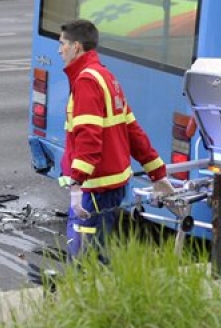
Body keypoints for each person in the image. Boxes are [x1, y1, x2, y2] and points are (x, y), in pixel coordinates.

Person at [58, 19, 175, 262]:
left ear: (76, 47)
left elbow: (88, 138)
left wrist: (76, 184)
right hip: (110, 184)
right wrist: (158, 173)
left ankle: (91, 298)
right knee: (95, 251)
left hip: (96, 187)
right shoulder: (106, 77)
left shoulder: (87, 82)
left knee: (83, 259)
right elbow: (132, 131)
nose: (60, 50)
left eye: (63, 44)